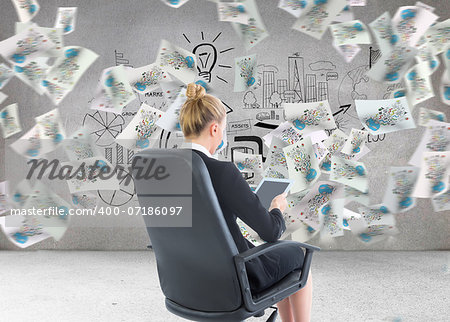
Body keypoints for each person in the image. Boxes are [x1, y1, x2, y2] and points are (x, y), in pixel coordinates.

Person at [179, 82, 313, 322]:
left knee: (279, 259)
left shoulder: (168, 170)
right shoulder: (222, 172)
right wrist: (275, 208)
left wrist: (240, 196)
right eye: (224, 129)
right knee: (297, 256)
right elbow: (271, 232)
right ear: (214, 130)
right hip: (237, 278)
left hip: (188, 279)